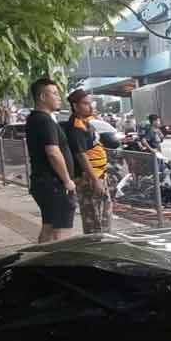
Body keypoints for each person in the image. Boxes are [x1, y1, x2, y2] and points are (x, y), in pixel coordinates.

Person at [26, 78, 76, 243]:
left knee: (48, 228)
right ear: (42, 97)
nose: (59, 97)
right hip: (55, 184)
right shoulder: (45, 121)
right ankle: (57, 267)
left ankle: (38, 263)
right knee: (61, 234)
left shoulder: (35, 119)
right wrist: (67, 180)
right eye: (54, 93)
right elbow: (53, 152)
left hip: (44, 183)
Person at [61, 89, 112, 234]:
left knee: (104, 216)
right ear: (75, 106)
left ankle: (105, 245)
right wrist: (95, 180)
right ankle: (96, 249)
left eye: (91, 103)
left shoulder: (87, 122)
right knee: (94, 219)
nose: (91, 107)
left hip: (99, 175)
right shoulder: (75, 128)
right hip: (88, 179)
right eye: (85, 104)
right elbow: (81, 156)